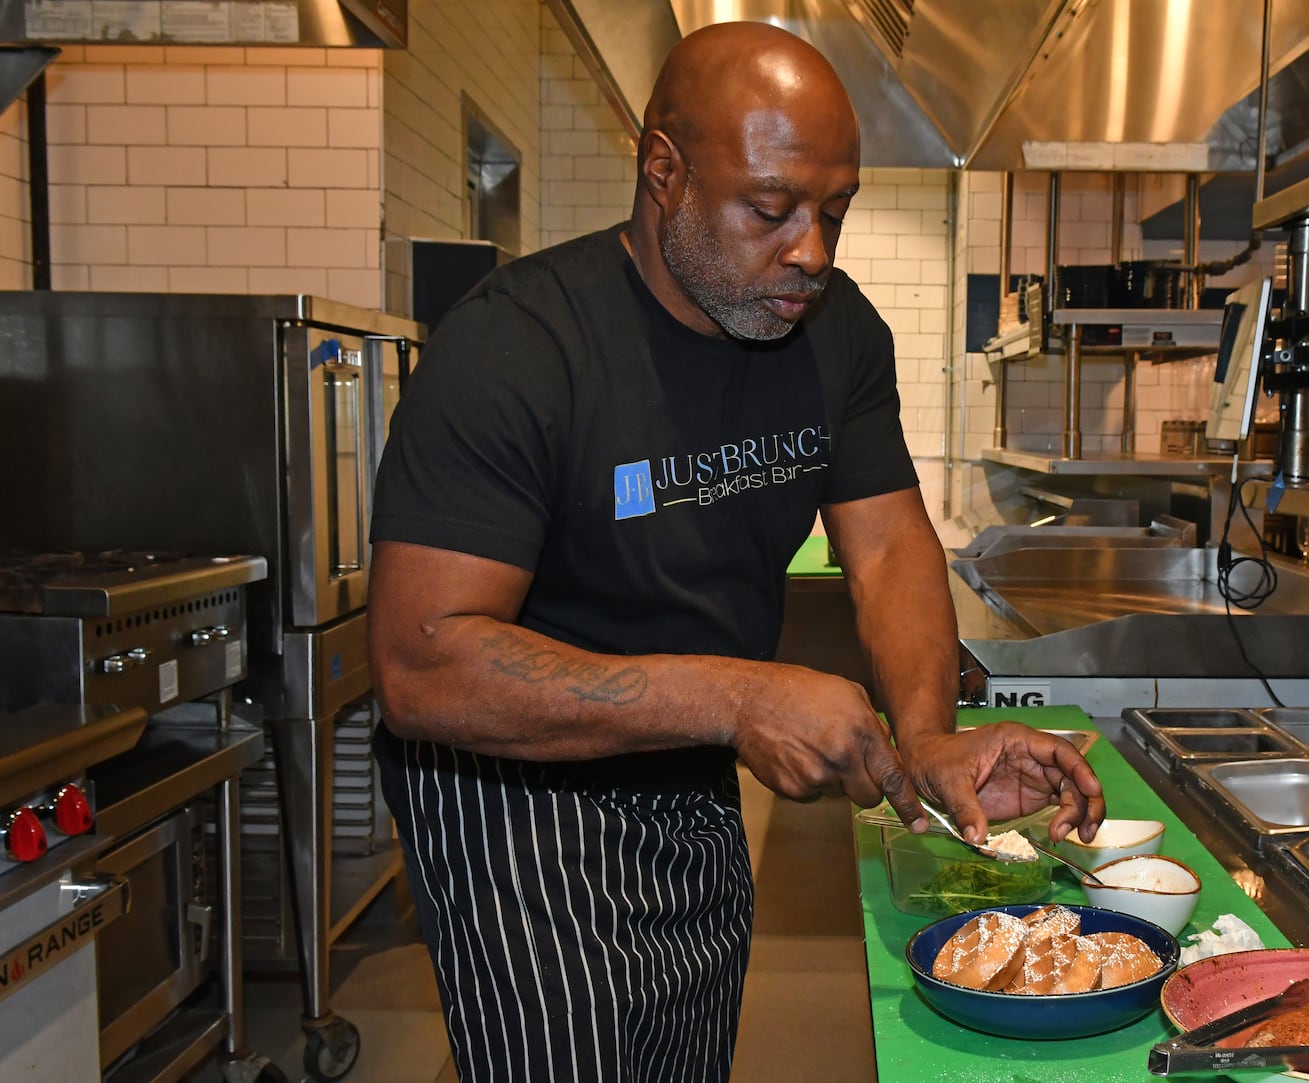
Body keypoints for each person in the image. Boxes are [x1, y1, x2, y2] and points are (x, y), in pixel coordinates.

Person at [367, 20, 1105, 1083]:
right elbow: (420, 666)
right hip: (515, 796)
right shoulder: (516, 348)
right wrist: (734, 698)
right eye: (771, 211)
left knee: (683, 1055)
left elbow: (892, 548)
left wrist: (929, 735)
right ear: (662, 172)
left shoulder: (833, 330)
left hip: (692, 769)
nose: (810, 249)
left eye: (833, 213)